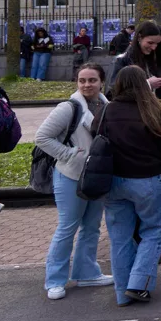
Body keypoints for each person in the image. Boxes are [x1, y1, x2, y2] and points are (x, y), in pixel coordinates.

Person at [95, 66, 161, 305]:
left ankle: (123, 293)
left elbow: (96, 137)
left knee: (120, 237)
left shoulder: (106, 110)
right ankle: (139, 283)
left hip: (114, 180)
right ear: (145, 84)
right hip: (146, 179)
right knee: (152, 232)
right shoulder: (154, 110)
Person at [35, 62, 115, 298]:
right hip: (70, 175)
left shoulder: (107, 106)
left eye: (92, 80)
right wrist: (68, 154)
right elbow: (42, 137)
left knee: (91, 227)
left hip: (97, 176)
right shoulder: (68, 108)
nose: (87, 85)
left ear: (101, 82)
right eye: (82, 80)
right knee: (67, 227)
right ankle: (55, 281)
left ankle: (87, 273)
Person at [109, 21, 161, 104]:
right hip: (129, 113)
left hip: (151, 113)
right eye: (150, 43)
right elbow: (113, 92)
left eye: (157, 44)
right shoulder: (121, 61)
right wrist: (147, 84)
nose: (154, 47)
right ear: (139, 37)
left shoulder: (154, 63)